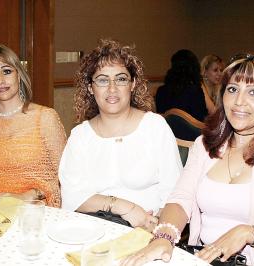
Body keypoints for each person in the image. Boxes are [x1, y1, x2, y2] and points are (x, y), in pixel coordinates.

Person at [121, 54, 254, 265]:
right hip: (204, 259)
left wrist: (250, 234)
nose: (239, 101)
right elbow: (180, 199)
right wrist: (163, 237)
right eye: (232, 89)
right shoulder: (204, 145)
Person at [59, 39, 182, 230]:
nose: (112, 88)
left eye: (121, 78)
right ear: (91, 88)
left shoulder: (155, 127)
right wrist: (125, 207)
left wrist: (154, 225)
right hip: (92, 230)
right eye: (102, 80)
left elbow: (174, 193)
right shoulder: (80, 136)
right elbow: (72, 198)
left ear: (132, 84)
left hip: (151, 229)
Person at [0, 44, 66, 207]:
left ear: (19, 75)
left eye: (6, 71)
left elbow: (67, 177)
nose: (0, 80)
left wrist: (29, 195)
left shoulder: (45, 118)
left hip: (34, 209)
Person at [155, 49, 212, 122]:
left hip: (167, 132)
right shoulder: (195, 91)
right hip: (193, 132)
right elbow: (201, 118)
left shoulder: (161, 91)